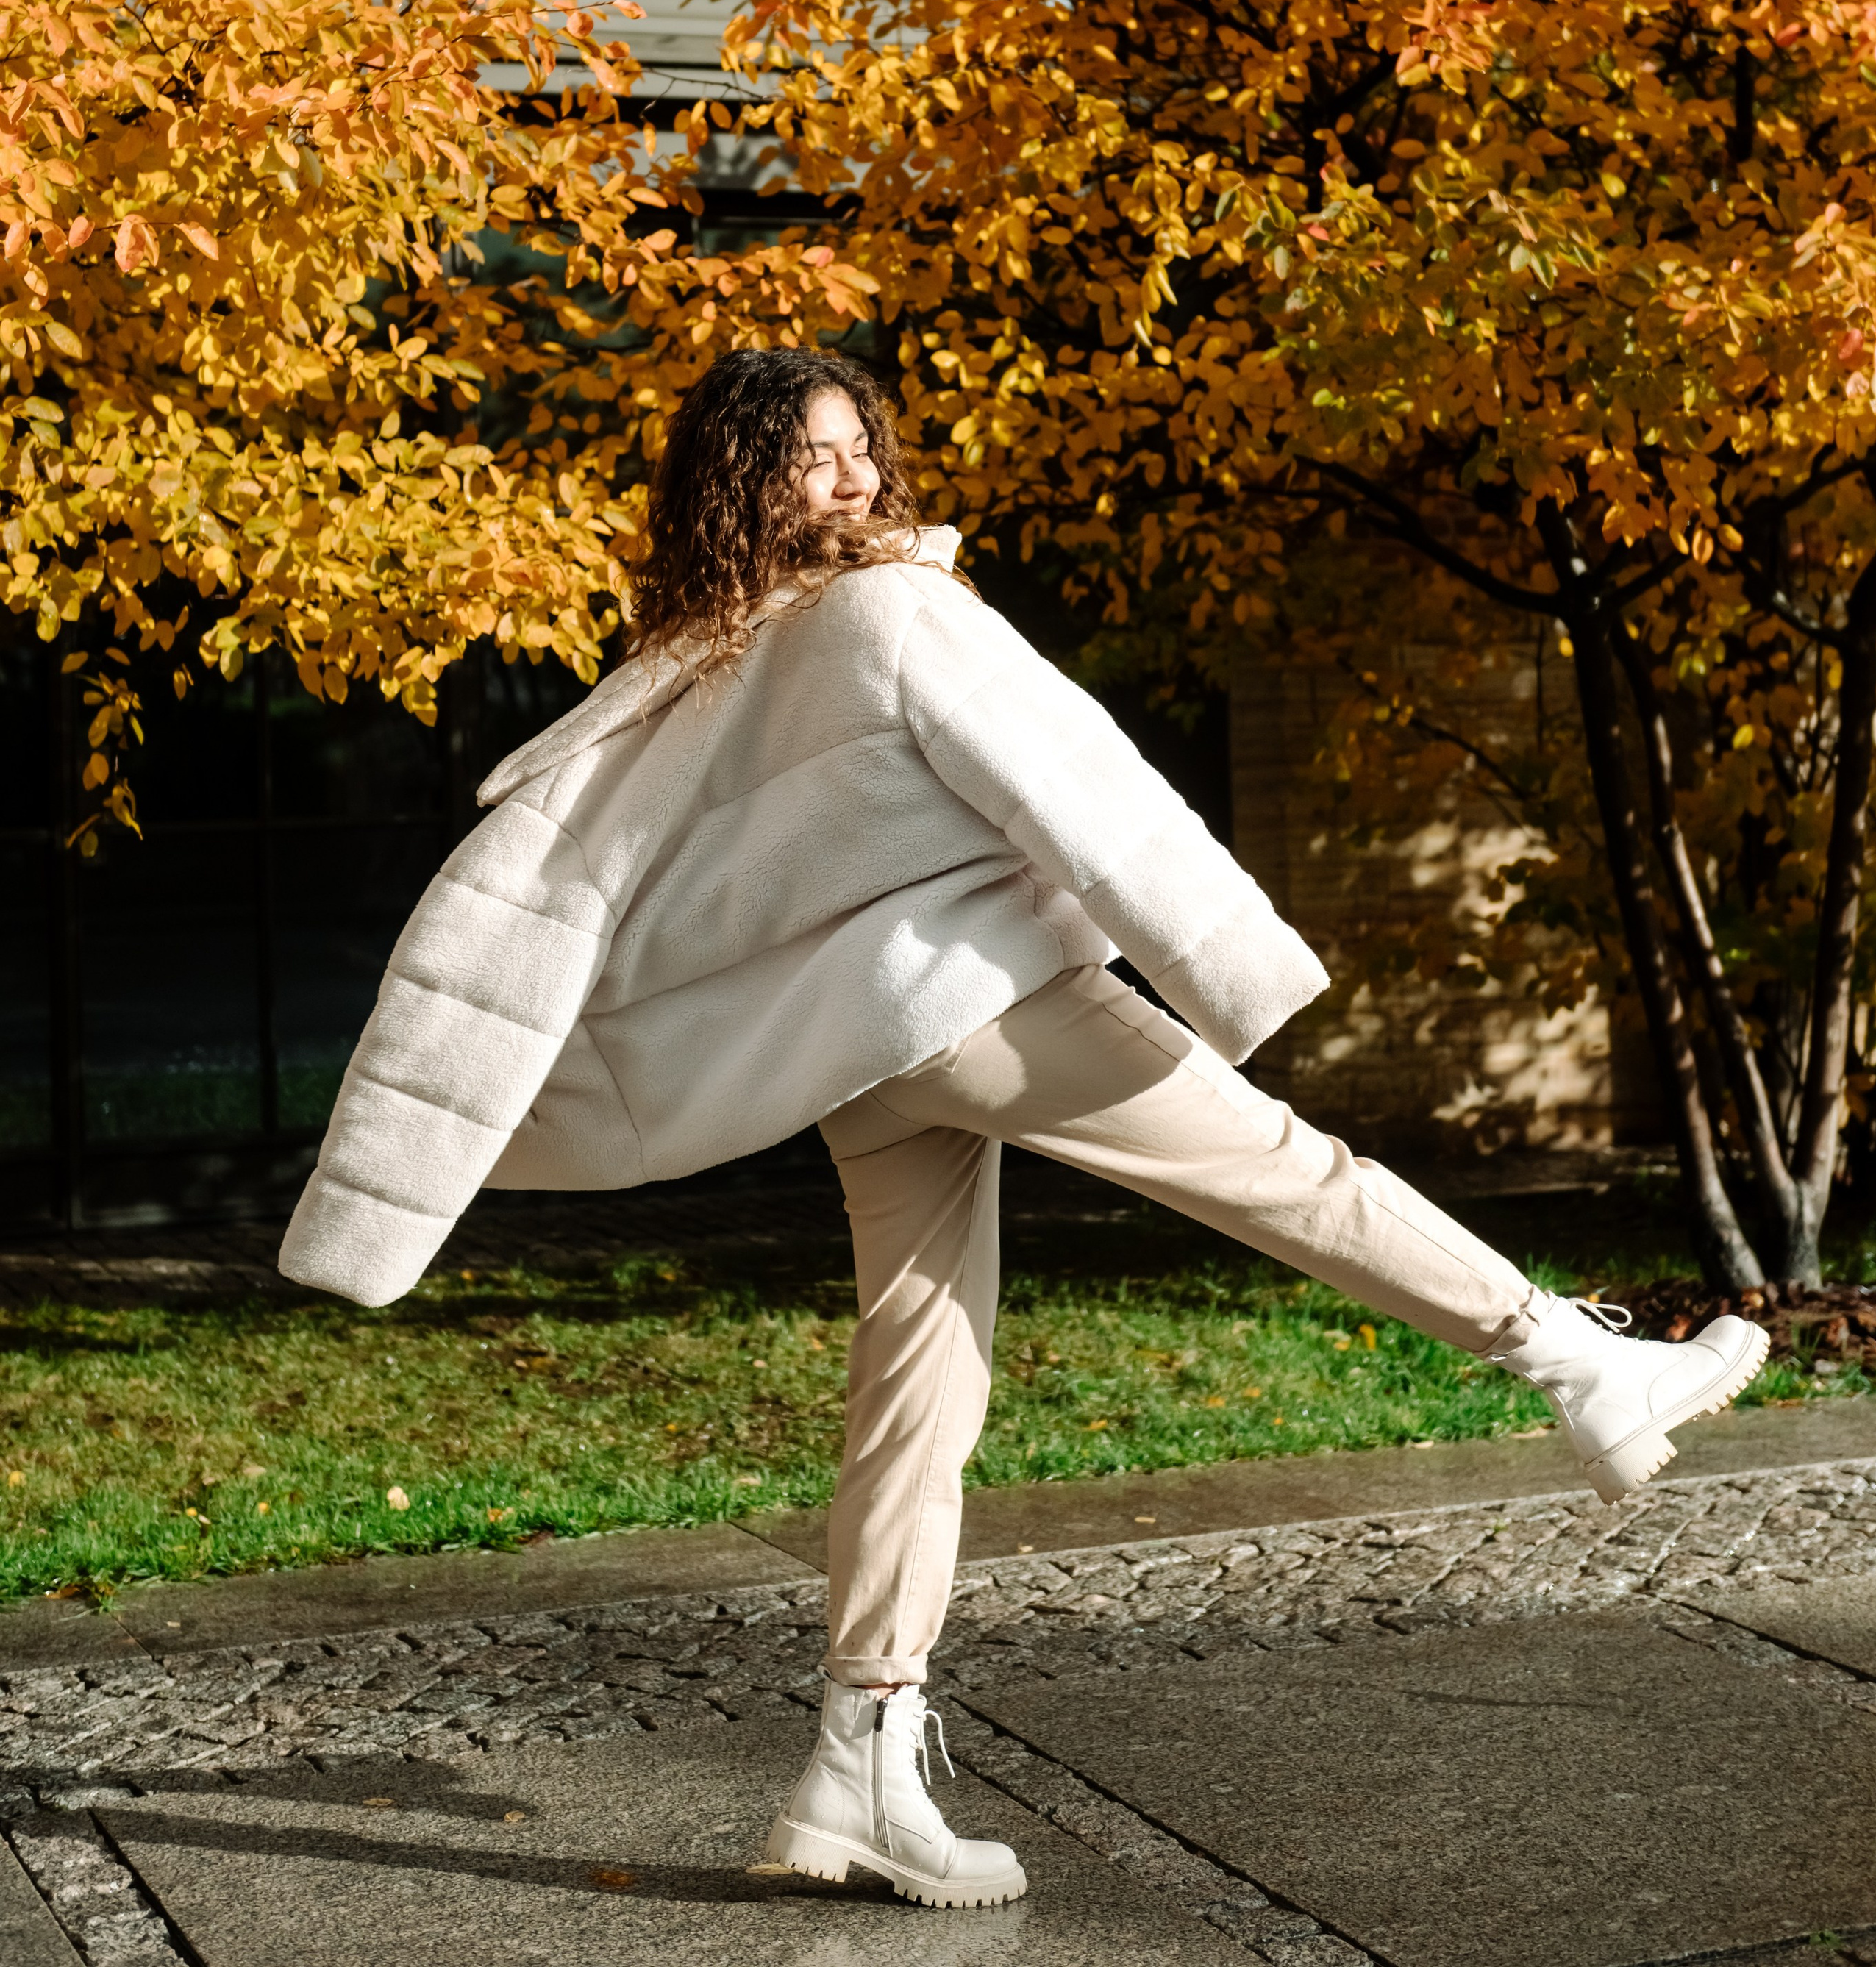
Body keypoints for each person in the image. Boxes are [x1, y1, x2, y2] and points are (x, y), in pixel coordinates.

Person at [280, 346, 1768, 1914]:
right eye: (808, 457)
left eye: (859, 448)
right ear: (742, 480)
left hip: (852, 1051)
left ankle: (860, 1753)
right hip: (962, 1002)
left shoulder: (704, 656)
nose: (849, 479)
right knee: (1281, 1169)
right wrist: (1234, 963)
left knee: (920, 1363)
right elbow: (1083, 786)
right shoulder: (887, 611)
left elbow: (582, 893)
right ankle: (1574, 1362)